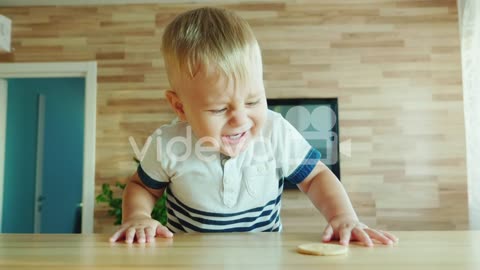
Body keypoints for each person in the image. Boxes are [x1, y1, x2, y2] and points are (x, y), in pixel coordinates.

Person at [109, 7, 398, 246]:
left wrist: (342, 216)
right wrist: (137, 216)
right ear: (180, 107)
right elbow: (142, 187)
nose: (240, 119)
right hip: (189, 260)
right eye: (220, 108)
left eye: (253, 101)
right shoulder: (168, 143)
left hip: (264, 258)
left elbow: (315, 177)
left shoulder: (275, 131)